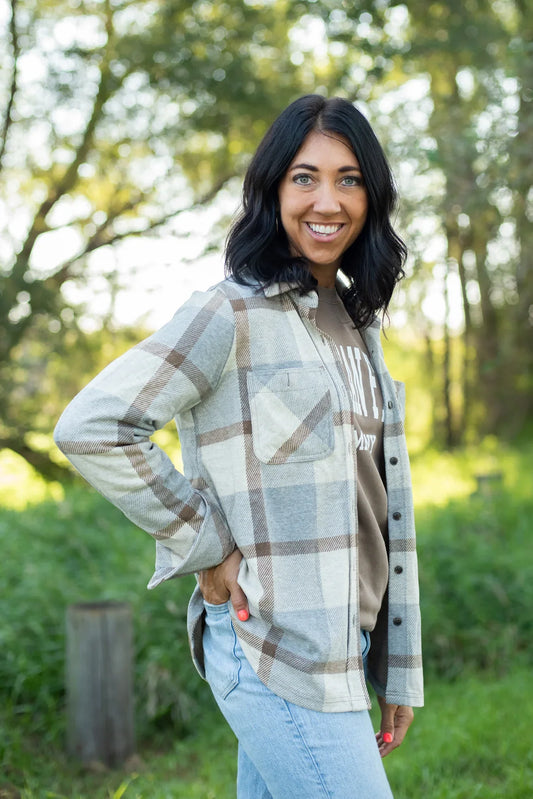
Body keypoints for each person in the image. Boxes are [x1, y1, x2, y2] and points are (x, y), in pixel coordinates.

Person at [54, 94, 423, 798]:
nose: (327, 200)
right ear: (273, 190)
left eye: (348, 179)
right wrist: (207, 545)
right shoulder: (230, 312)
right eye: (304, 177)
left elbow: (378, 510)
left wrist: (395, 667)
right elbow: (94, 425)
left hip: (345, 644)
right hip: (273, 642)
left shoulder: (358, 326)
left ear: (371, 197)